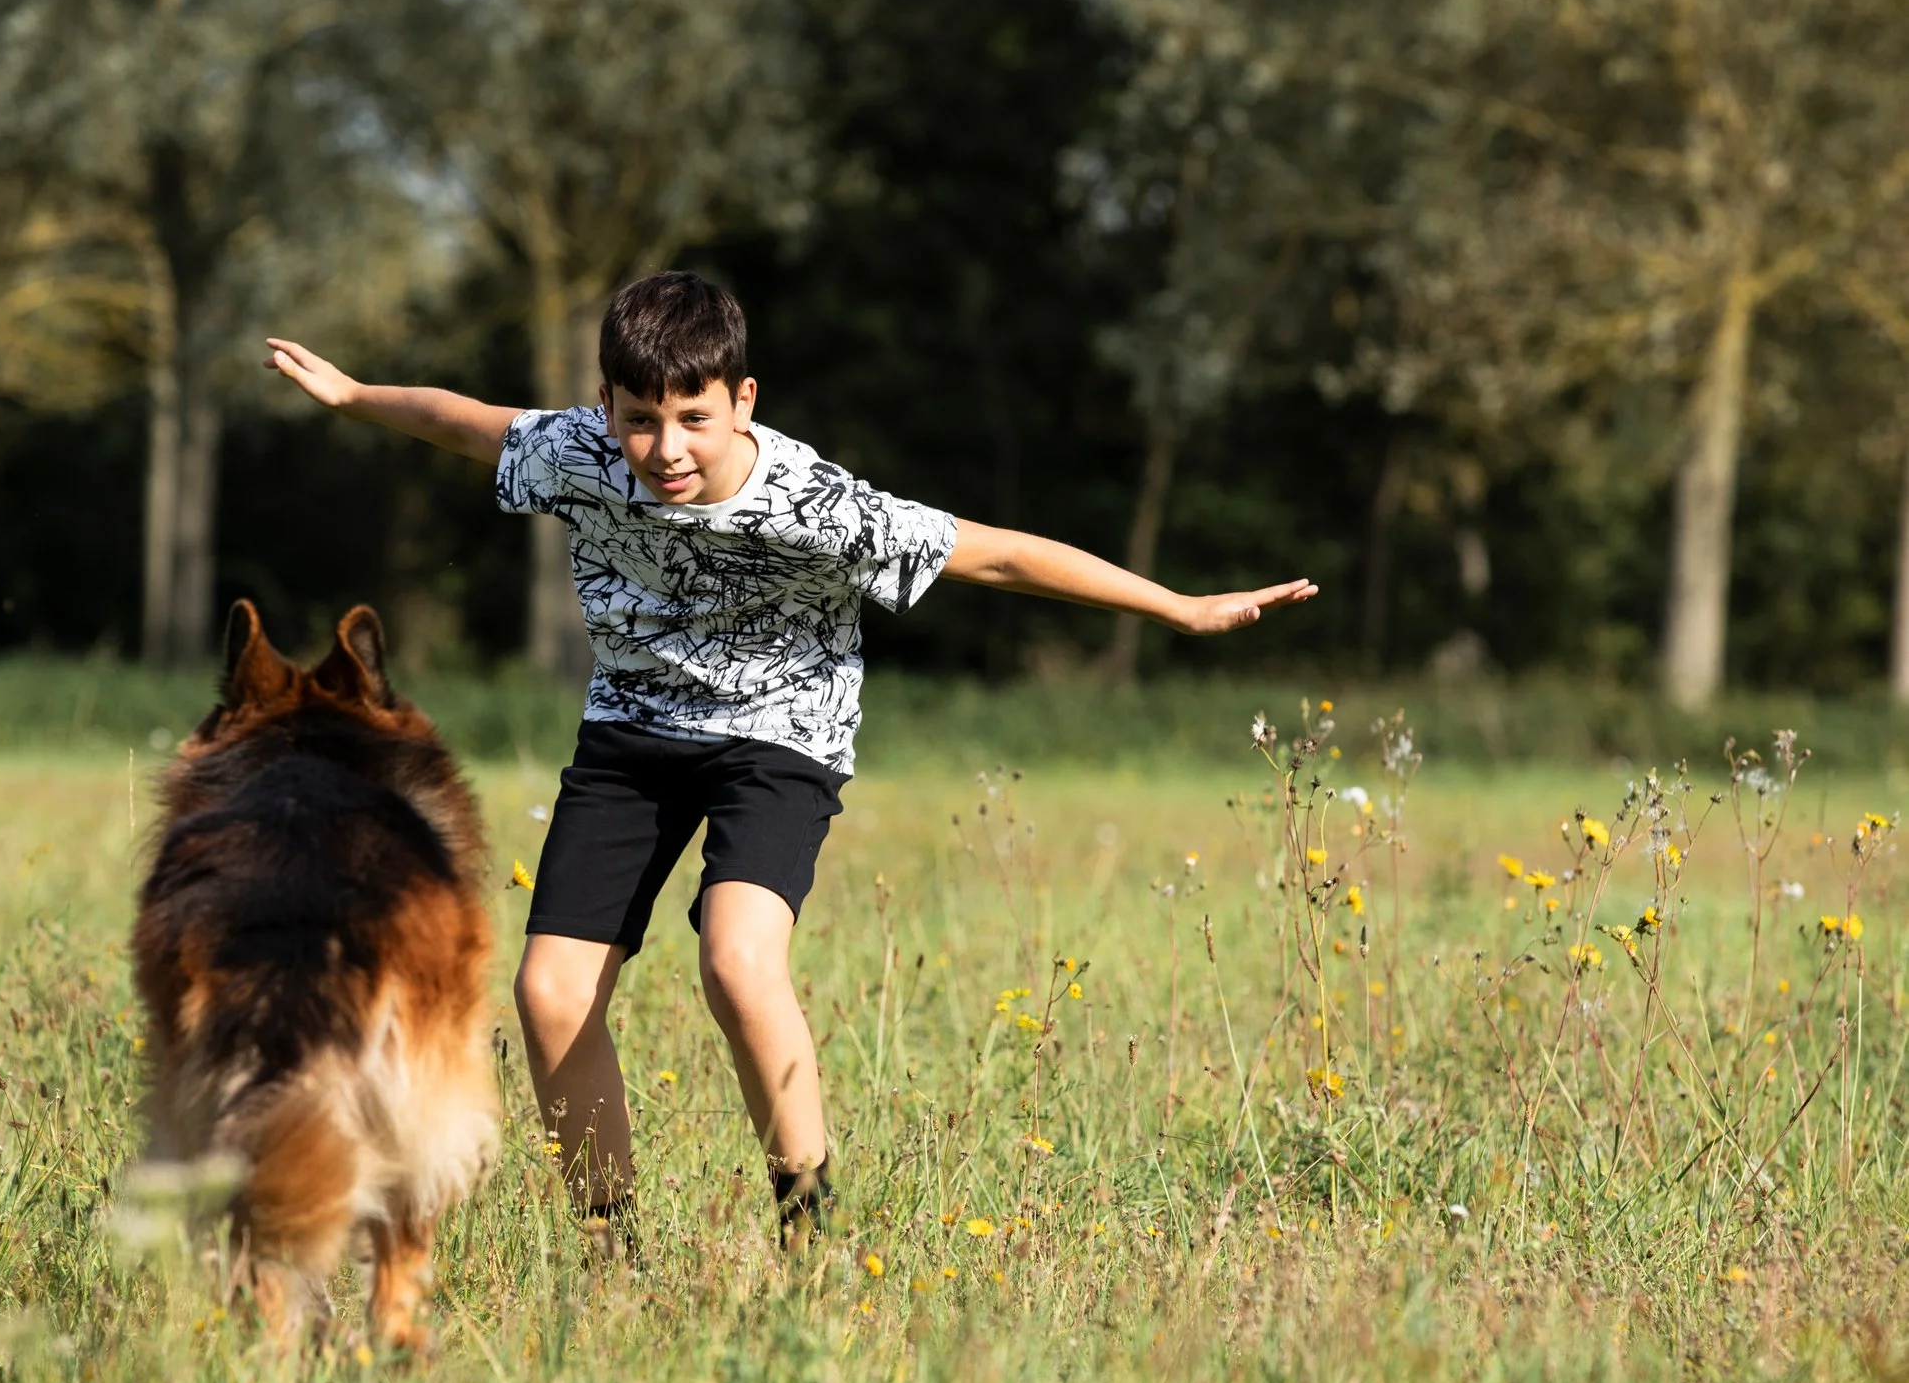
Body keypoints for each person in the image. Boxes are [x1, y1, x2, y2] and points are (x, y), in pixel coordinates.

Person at [262, 270, 1314, 1249]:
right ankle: (609, 1244)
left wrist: (1176, 604)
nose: (665, 446)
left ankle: (809, 1226)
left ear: (743, 398)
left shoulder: (814, 503)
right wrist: (354, 396)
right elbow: (464, 423)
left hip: (778, 736)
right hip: (631, 733)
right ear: (605, 407)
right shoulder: (577, 452)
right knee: (548, 994)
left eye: (693, 418)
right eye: (639, 421)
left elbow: (994, 550)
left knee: (737, 960)